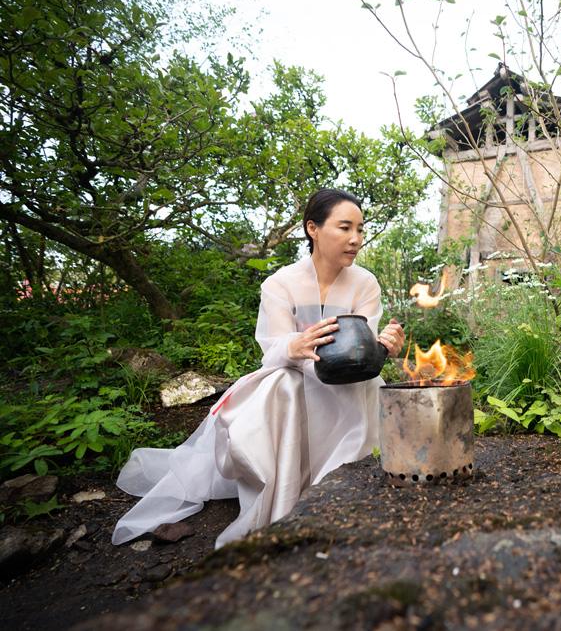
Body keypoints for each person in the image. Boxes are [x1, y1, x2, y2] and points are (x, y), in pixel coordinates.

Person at [112, 188, 405, 548]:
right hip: (293, 373)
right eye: (345, 228)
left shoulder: (365, 283)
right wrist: (295, 346)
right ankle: (285, 493)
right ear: (313, 228)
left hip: (348, 379)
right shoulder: (280, 284)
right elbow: (275, 346)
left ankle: (340, 491)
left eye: (360, 229)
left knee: (367, 387)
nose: (356, 239)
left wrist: (384, 347)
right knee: (282, 386)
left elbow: (360, 349)